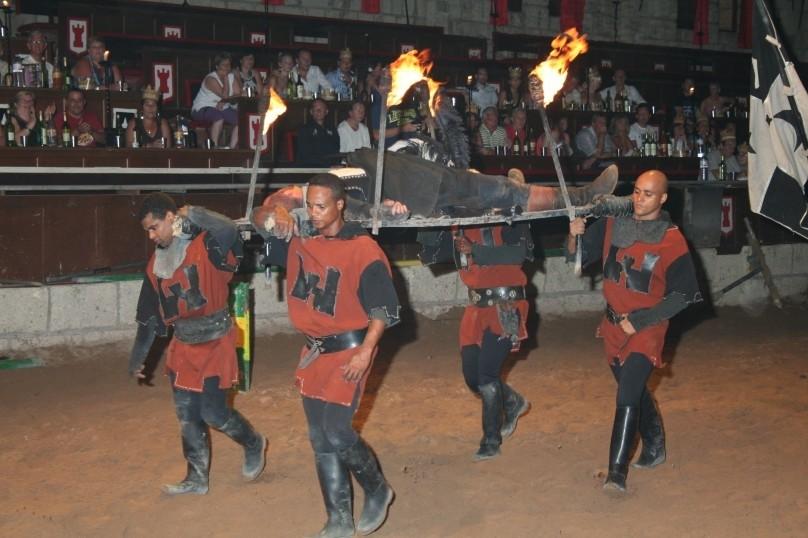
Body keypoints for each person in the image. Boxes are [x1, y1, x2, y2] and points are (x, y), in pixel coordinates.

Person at [254, 173, 399, 538]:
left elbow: (383, 309)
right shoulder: (301, 240)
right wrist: (277, 213)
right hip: (314, 353)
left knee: (336, 430)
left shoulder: (364, 249)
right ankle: (338, 518)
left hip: (350, 352)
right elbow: (259, 217)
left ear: (340, 205)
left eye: (321, 207)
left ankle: (378, 488)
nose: (314, 214)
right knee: (319, 438)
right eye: (310, 207)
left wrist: (366, 352)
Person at [567, 170, 701, 492]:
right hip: (612, 326)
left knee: (626, 393)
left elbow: (685, 295)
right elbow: (577, 259)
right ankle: (654, 443)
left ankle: (617, 473)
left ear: (663, 199)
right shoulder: (615, 224)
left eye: (649, 194)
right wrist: (576, 234)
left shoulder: (672, 239)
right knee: (636, 390)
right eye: (637, 192)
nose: (640, 200)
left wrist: (640, 322)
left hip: (647, 328)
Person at [129, 193, 267, 496]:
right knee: (187, 415)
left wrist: (194, 212)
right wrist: (138, 357)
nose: (152, 236)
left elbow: (229, 230)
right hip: (183, 344)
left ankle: (254, 442)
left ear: (170, 217)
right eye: (147, 231)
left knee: (215, 414)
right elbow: (149, 314)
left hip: (215, 341)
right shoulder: (156, 264)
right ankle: (196, 477)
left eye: (155, 227)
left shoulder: (209, 246)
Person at [452, 220, 532, 462]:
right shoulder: (453, 219)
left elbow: (519, 253)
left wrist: (475, 249)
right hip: (476, 308)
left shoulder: (509, 215)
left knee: (487, 374)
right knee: (472, 377)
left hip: (505, 305)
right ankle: (513, 401)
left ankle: (491, 440)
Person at [191, 52, 241, 149]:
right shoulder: (210, 79)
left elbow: (238, 94)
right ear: (217, 66)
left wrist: (224, 101)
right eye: (224, 65)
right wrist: (226, 81)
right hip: (202, 107)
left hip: (223, 108)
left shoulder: (231, 77)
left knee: (242, 120)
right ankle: (213, 147)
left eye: (229, 64)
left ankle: (232, 147)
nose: (227, 67)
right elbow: (224, 95)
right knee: (218, 117)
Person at [296, 98, 340, 166]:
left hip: (331, 167)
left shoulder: (332, 129)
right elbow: (305, 156)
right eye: (316, 109)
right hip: (311, 168)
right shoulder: (304, 130)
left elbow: (336, 150)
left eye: (321, 108)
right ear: (311, 112)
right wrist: (327, 165)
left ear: (326, 111)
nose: (318, 111)